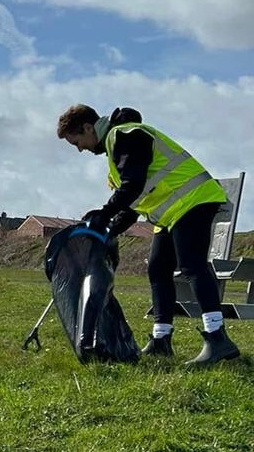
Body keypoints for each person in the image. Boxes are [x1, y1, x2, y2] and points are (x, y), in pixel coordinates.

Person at [56, 104, 241, 367]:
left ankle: (217, 338)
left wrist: (104, 214)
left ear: (87, 127)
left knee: (192, 265)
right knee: (158, 269)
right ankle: (161, 341)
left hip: (193, 201)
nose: (80, 149)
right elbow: (133, 203)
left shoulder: (127, 135)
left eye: (77, 142)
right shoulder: (115, 147)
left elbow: (133, 185)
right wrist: (109, 228)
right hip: (171, 213)